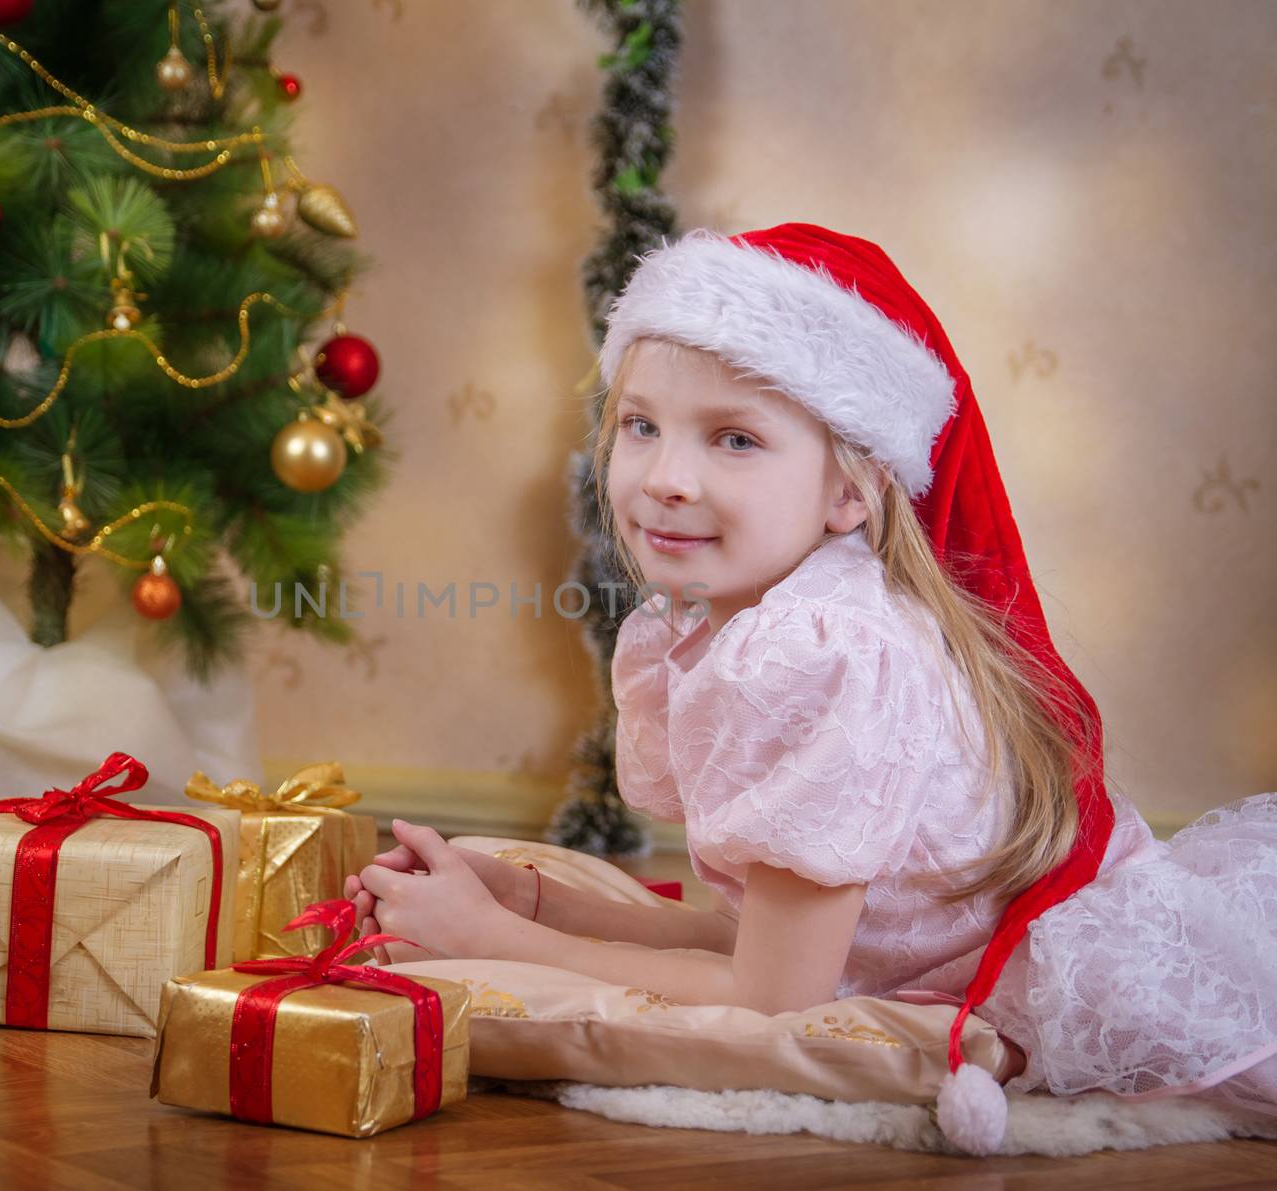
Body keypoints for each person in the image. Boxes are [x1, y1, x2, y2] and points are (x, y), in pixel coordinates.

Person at [344, 224, 1277, 1142]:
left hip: (1079, 973)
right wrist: (545, 905)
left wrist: (493, 938)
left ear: (850, 491)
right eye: (641, 425)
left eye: (735, 439)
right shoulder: (760, 620)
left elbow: (774, 996)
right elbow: (790, 943)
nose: (666, 476)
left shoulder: (822, 652)